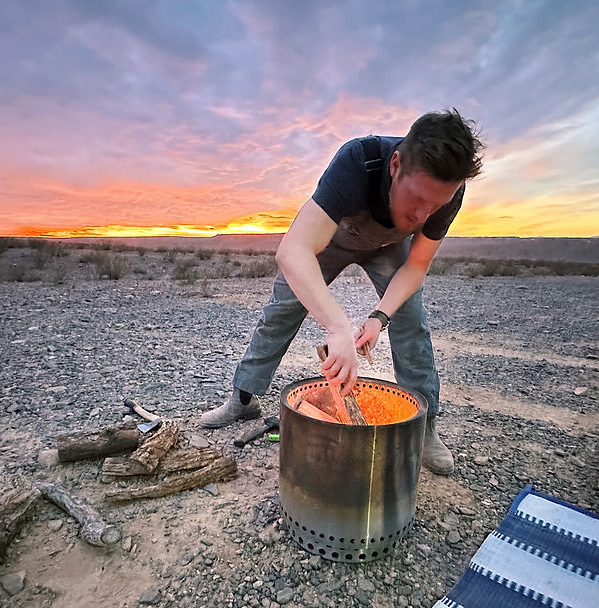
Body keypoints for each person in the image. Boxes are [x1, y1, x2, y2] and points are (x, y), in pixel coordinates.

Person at [199, 108, 484, 475]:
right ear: (395, 165)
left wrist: (379, 317)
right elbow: (293, 250)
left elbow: (415, 267)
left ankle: (423, 427)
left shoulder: (449, 193)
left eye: (436, 205)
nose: (422, 216)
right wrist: (337, 327)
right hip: (331, 240)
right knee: (282, 309)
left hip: (387, 249)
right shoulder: (357, 162)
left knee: (411, 321)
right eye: (416, 199)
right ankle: (243, 398)